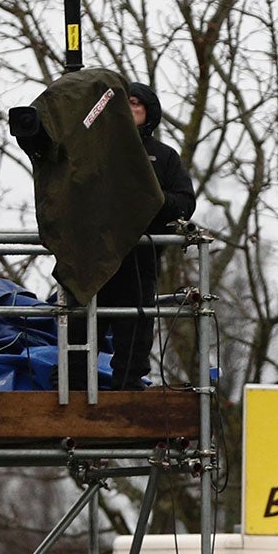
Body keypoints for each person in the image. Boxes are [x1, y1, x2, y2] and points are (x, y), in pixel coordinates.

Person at [96, 81, 194, 389]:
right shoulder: (95, 150)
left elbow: (184, 203)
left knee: (136, 329)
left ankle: (128, 389)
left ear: (149, 111)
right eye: (124, 104)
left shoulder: (164, 157)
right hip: (94, 255)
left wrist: (152, 199)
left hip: (140, 259)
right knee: (79, 326)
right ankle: (71, 388)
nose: (131, 109)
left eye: (137, 103)